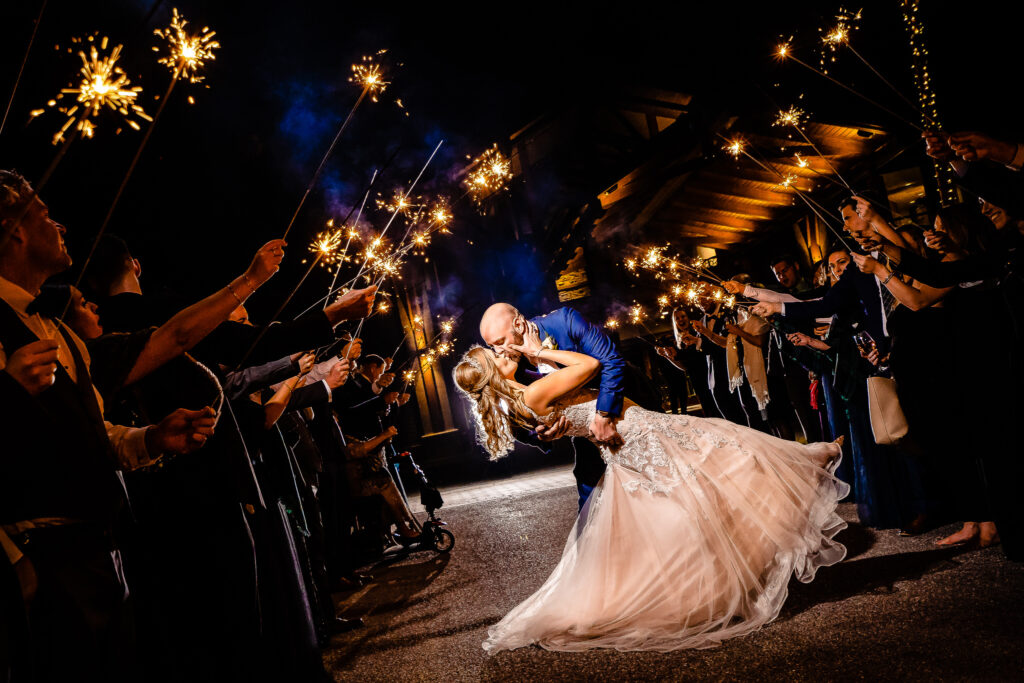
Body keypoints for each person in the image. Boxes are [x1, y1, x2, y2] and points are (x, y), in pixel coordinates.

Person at [454, 323, 846, 653]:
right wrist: (538, 353)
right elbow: (589, 364)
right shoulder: (533, 392)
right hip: (639, 436)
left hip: (631, 442)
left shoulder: (520, 399)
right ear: (493, 374)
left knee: (695, 499)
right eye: (496, 357)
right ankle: (807, 460)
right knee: (727, 459)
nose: (504, 353)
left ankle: (723, 583)